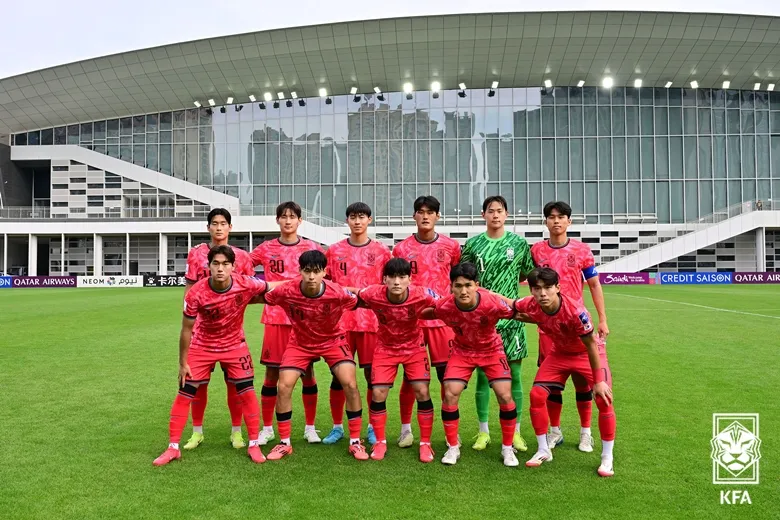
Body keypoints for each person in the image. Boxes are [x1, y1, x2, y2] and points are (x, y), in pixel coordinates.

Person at [154, 245, 269, 466]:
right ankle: (173, 448)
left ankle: (253, 444)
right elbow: (186, 329)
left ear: (233, 267)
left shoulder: (245, 283)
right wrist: (182, 363)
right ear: (209, 266)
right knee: (185, 392)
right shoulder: (196, 292)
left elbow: (272, 286)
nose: (220, 268)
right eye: (216, 263)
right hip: (202, 345)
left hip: (234, 345)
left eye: (225, 264)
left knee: (246, 392)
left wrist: (302, 285)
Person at [263, 250, 369, 461]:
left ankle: (355, 441)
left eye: (316, 271)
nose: (311, 277)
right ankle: (284, 443)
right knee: (283, 386)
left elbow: (362, 301)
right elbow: (262, 296)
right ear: (300, 271)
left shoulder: (337, 292)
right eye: (307, 271)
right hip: (300, 343)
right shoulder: (286, 290)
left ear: (324, 272)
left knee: (350, 383)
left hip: (333, 341)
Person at [513, 267, 616, 477]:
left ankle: (607, 457)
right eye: (537, 288)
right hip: (559, 353)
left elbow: (591, 345)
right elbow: (510, 304)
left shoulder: (576, 312)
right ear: (531, 290)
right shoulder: (531, 304)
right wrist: (483, 295)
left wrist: (599, 381)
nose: (543, 293)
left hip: (586, 353)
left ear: (558, 288)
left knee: (603, 399)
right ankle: (543, 450)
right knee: (537, 395)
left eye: (548, 287)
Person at [420, 263, 521, 468]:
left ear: (476, 285)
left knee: (504, 395)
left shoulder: (492, 302)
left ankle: (507, 448)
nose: (463, 291)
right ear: (451, 287)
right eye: (458, 286)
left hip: (491, 350)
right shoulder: (445, 305)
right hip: (462, 352)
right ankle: (453, 446)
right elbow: (424, 313)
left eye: (468, 285)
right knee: (450, 393)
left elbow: (517, 312)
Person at [531, 201, 608, 453]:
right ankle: (555, 431)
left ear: (569, 221)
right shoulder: (537, 251)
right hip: (549, 327)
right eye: (551, 217)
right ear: (545, 221)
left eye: (561, 217)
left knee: (582, 383)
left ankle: (586, 433)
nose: (556, 221)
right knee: (551, 384)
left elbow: (594, 284)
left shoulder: (582, 250)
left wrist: (602, 319)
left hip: (576, 324)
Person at [460, 195, 534, 452]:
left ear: (506, 214)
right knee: (483, 376)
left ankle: (516, 432)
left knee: (515, 376)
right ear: (483, 215)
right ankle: (483, 431)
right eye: (490, 211)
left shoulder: (519, 244)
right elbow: (464, 278)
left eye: (499, 211)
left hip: (512, 318)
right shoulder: (473, 245)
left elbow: (526, 274)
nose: (495, 215)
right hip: (482, 320)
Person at [250, 201, 323, 446]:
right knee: (272, 374)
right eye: (284, 216)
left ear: (300, 220)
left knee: (308, 373)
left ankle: (310, 427)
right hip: (275, 319)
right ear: (278, 220)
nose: (288, 220)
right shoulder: (266, 248)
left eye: (293, 217)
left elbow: (325, 277)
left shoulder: (311, 248)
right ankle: (268, 428)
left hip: (304, 320)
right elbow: (242, 266)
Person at [182, 208, 255, 451]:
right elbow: (189, 291)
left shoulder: (242, 257)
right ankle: (197, 432)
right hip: (201, 333)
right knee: (197, 383)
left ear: (230, 227)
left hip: (232, 333)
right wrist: (190, 322)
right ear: (208, 227)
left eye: (223, 223)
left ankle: (236, 432)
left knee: (235, 383)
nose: (219, 227)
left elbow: (249, 290)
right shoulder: (196, 254)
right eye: (214, 223)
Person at [353, 258, 439, 462]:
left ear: (410, 279)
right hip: (385, 349)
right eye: (392, 277)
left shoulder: (423, 294)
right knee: (378, 392)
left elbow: (447, 303)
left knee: (422, 391)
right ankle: (380, 442)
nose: (397, 282)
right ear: (384, 279)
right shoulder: (373, 293)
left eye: (402, 277)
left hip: (414, 349)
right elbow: (351, 293)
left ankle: (425, 444)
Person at [391, 196, 460, 448]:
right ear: (414, 216)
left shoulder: (452, 246)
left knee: (446, 377)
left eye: (430, 212)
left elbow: (456, 281)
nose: (425, 216)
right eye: (420, 212)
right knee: (411, 378)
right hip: (413, 322)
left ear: (438, 216)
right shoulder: (401, 249)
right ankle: (405, 429)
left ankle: (449, 431)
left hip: (442, 322)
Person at [322, 202, 391, 446]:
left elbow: (388, 286)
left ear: (369, 220)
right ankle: (337, 427)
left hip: (372, 323)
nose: (357, 221)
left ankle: (372, 426)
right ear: (347, 221)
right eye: (353, 217)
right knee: (338, 377)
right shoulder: (334, 251)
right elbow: (326, 284)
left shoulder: (382, 252)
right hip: (341, 324)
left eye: (362, 217)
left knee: (373, 376)